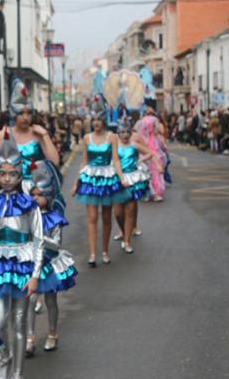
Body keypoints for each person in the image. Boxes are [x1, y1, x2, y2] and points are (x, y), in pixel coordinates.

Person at [0, 129, 43, 379]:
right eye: (2, 174)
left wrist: (36, 275)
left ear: (20, 176)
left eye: (12, 174)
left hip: (23, 267)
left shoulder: (30, 206)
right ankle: (4, 354)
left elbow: (38, 240)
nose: (7, 179)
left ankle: (18, 377)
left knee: (18, 322)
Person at [26, 161, 77, 356]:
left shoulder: (54, 217)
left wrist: (39, 236)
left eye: (40, 195)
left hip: (49, 263)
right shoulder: (27, 217)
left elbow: (56, 244)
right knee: (29, 300)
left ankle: (52, 333)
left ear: (48, 196)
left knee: (50, 300)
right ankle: (30, 337)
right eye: (33, 195)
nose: (36, 199)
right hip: (31, 264)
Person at [70, 97, 123, 267]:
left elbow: (115, 159)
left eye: (99, 119)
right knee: (92, 216)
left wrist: (122, 178)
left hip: (107, 178)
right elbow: (84, 161)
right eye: (94, 119)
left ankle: (105, 251)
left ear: (104, 120)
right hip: (91, 178)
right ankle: (92, 253)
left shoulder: (112, 137)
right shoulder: (86, 138)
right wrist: (76, 183)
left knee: (106, 216)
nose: (96, 123)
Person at [0, 78, 59, 194]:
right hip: (11, 191)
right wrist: (3, 141)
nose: (25, 118)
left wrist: (45, 135)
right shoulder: (2, 135)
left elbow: (55, 161)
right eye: (21, 113)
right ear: (14, 114)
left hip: (34, 192)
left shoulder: (38, 134)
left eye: (29, 113)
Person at [113, 120, 151, 252]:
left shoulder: (134, 144)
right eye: (122, 132)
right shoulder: (113, 146)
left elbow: (149, 152)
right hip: (118, 179)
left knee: (129, 210)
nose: (125, 135)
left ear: (130, 133)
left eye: (127, 132)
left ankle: (127, 241)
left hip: (133, 178)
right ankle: (124, 231)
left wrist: (141, 160)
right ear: (117, 133)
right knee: (118, 213)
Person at [137, 113, 168, 202]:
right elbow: (163, 146)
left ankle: (148, 193)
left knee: (146, 177)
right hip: (154, 159)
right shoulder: (156, 137)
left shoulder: (142, 137)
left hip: (145, 159)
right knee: (155, 176)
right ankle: (155, 194)